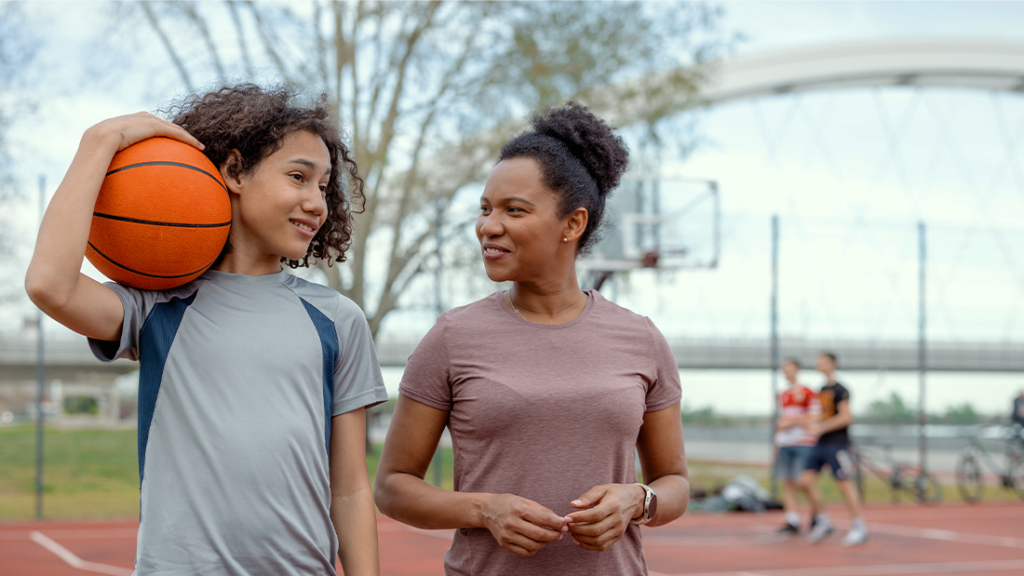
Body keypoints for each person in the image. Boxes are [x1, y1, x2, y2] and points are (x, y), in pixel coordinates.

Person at [24, 85, 388, 576]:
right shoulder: (157, 306)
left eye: (323, 187)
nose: (316, 202)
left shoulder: (338, 319)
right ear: (234, 171)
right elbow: (51, 285)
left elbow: (348, 487)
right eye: (298, 177)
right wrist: (99, 143)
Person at [373, 101, 689, 576]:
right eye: (485, 209)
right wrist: (485, 510)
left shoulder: (640, 338)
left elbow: (675, 483)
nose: (488, 226)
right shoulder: (451, 337)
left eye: (513, 210)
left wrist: (636, 499)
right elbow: (392, 487)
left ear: (573, 224)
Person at [800, 352, 868, 546]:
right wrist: (801, 423)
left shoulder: (841, 389)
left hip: (838, 444)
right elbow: (822, 415)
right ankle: (823, 521)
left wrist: (821, 427)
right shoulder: (822, 389)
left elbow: (846, 417)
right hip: (820, 443)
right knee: (804, 481)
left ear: (831, 364)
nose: (817, 363)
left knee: (845, 485)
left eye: (821, 360)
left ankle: (859, 526)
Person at [773, 358, 821, 535]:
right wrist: (778, 441)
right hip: (785, 444)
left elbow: (814, 416)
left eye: (789, 368)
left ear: (797, 369)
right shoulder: (783, 394)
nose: (786, 371)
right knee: (788, 482)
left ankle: (818, 517)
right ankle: (792, 520)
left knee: (805, 482)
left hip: (804, 443)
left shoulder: (808, 391)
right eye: (784, 368)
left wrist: (791, 423)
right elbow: (782, 420)